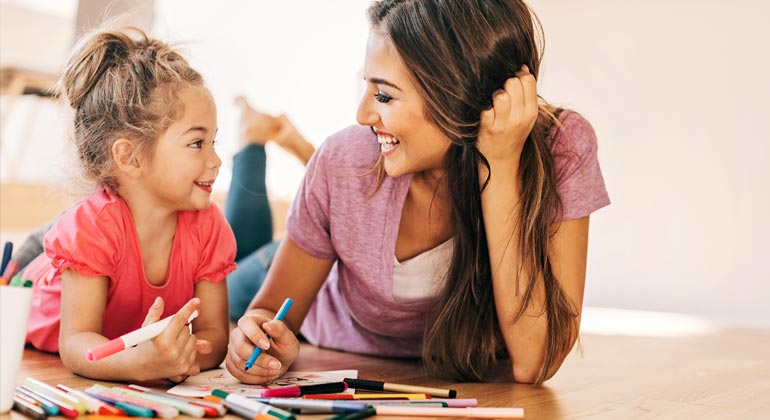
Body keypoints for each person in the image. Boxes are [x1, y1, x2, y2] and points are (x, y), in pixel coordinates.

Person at [225, 0, 610, 386]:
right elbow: (270, 314)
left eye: (385, 96)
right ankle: (251, 140)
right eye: (367, 87)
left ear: (462, 98)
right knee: (229, 267)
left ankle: (261, 137)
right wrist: (257, 336)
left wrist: (501, 165)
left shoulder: (562, 148)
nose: (362, 115)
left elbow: (535, 364)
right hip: (314, 283)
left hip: (336, 227)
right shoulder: (343, 158)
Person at [22, 27, 237, 383]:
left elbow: (215, 336)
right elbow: (76, 343)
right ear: (131, 157)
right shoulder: (92, 228)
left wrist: (182, 355)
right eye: (197, 143)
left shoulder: (209, 226)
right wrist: (139, 365)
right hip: (28, 285)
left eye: (213, 141)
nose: (216, 160)